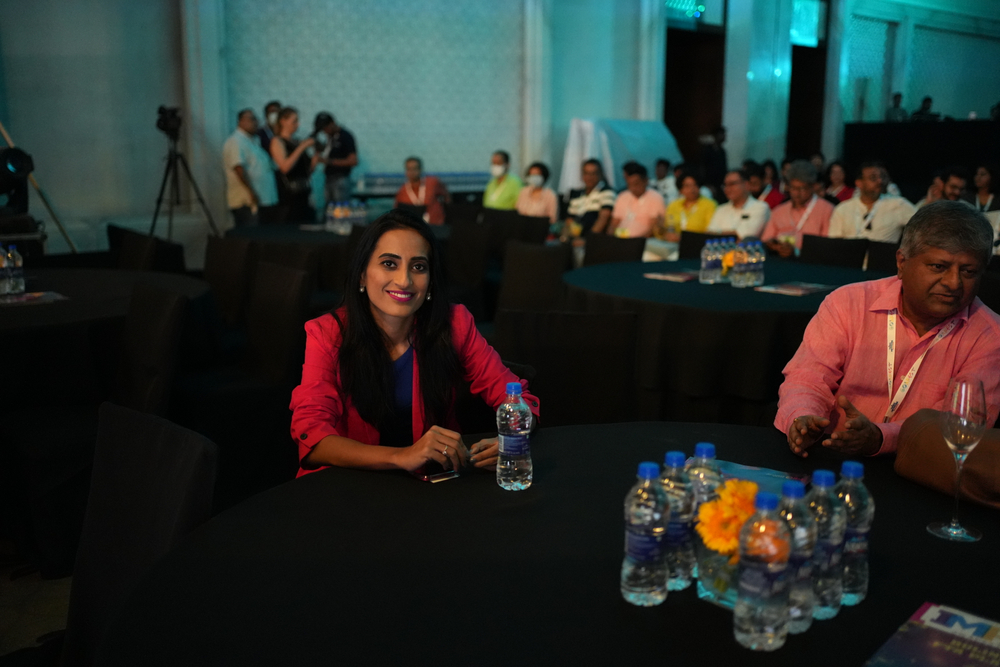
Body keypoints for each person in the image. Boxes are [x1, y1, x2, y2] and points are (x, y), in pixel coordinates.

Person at [289, 210, 540, 477]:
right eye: (389, 264)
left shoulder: (454, 323)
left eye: (418, 267)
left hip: (433, 482)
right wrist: (401, 456)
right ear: (362, 275)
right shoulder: (327, 333)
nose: (404, 280)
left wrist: (513, 436)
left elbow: (517, 398)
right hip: (348, 481)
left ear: (430, 283)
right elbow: (312, 435)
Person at [777, 200, 1000, 457]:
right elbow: (808, 377)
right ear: (902, 262)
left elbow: (963, 421)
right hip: (828, 452)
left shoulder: (990, 336)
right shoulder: (848, 303)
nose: (953, 283)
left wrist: (881, 437)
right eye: (939, 267)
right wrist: (804, 417)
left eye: (969, 271)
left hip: (921, 464)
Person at [828, 162, 916, 243]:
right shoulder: (843, 209)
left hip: (884, 254)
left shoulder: (898, 204)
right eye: (873, 178)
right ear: (859, 183)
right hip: (849, 254)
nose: (880, 181)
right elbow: (834, 244)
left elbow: (921, 225)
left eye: (881, 177)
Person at [761, 160, 834, 257]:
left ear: (812, 187)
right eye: (793, 188)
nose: (797, 193)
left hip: (810, 260)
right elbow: (766, 240)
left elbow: (827, 245)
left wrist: (796, 251)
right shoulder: (779, 211)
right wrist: (777, 247)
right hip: (780, 258)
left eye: (802, 188)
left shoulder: (826, 209)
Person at [222, 109, 279, 227]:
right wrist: (251, 192)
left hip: (262, 201)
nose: (256, 122)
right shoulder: (236, 141)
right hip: (247, 203)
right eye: (252, 119)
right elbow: (238, 169)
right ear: (241, 121)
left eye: (256, 119)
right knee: (250, 236)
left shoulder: (253, 141)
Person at [269, 107, 320, 223]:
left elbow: (308, 170)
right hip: (289, 196)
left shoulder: (297, 141)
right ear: (283, 121)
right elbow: (285, 167)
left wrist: (316, 155)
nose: (297, 124)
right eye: (294, 121)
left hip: (305, 192)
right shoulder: (277, 142)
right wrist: (302, 147)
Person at [706, 169, 770, 239]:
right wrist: (733, 234)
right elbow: (709, 235)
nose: (727, 188)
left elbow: (746, 237)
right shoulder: (720, 209)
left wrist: (719, 234)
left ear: (746, 185)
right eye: (725, 185)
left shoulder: (760, 207)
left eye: (732, 184)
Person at [608, 162, 664, 238]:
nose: (633, 188)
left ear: (645, 181)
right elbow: (613, 224)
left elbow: (653, 228)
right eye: (629, 185)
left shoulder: (655, 197)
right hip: (620, 239)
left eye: (636, 184)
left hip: (642, 241)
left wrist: (637, 242)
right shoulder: (622, 196)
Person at [314, 113, 358, 206]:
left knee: (340, 209)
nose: (325, 131)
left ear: (332, 123)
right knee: (329, 209)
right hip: (328, 179)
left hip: (340, 179)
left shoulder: (345, 136)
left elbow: (353, 161)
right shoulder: (330, 138)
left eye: (326, 128)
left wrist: (328, 161)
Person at [564, 159, 615, 238]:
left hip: (596, 239)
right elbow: (570, 219)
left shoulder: (607, 192)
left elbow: (604, 218)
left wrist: (588, 239)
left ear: (600, 174)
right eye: (586, 173)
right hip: (575, 237)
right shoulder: (577, 194)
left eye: (593, 173)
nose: (589, 177)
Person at [393, 157, 449, 225]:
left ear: (420, 169)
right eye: (409, 169)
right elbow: (398, 212)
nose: (412, 172)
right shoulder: (402, 191)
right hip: (415, 226)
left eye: (415, 168)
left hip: (436, 225)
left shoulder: (432, 183)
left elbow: (447, 197)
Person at [662, 172, 716, 239]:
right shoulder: (674, 205)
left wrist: (682, 238)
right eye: (687, 186)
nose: (692, 189)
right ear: (680, 190)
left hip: (698, 242)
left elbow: (710, 232)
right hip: (673, 243)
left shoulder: (709, 205)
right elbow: (668, 226)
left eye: (695, 185)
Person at [701, 125, 728, 191]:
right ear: (715, 136)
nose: (724, 136)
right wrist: (706, 183)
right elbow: (703, 167)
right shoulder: (707, 150)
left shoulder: (722, 151)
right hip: (709, 183)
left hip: (720, 183)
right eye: (721, 134)